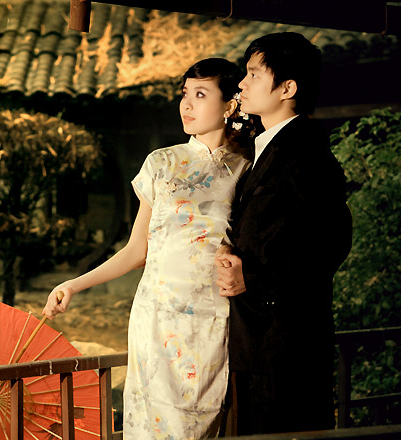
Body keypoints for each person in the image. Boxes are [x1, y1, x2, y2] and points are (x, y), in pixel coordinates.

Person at [43, 58, 253, 439]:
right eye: (185, 94)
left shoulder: (245, 169)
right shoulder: (162, 163)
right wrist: (74, 284)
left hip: (209, 322)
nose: (186, 104)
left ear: (230, 105)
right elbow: (136, 250)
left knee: (196, 425)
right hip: (155, 318)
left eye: (200, 94)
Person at [215, 32, 352, 435]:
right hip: (259, 341)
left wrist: (252, 278)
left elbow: (330, 243)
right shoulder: (266, 148)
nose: (242, 84)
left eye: (254, 74)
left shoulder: (305, 153)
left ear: (287, 89)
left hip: (287, 345)